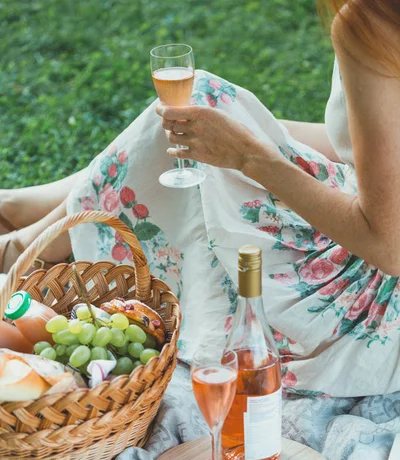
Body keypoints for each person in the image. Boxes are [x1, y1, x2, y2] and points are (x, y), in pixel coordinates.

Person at [1, 0, 399, 397]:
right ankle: (28, 215)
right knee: (202, 103)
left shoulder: (374, 21)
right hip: (371, 210)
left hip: (366, 304)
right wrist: (246, 128)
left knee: (203, 117)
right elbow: (367, 144)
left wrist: (249, 155)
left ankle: (26, 243)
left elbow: (389, 246)